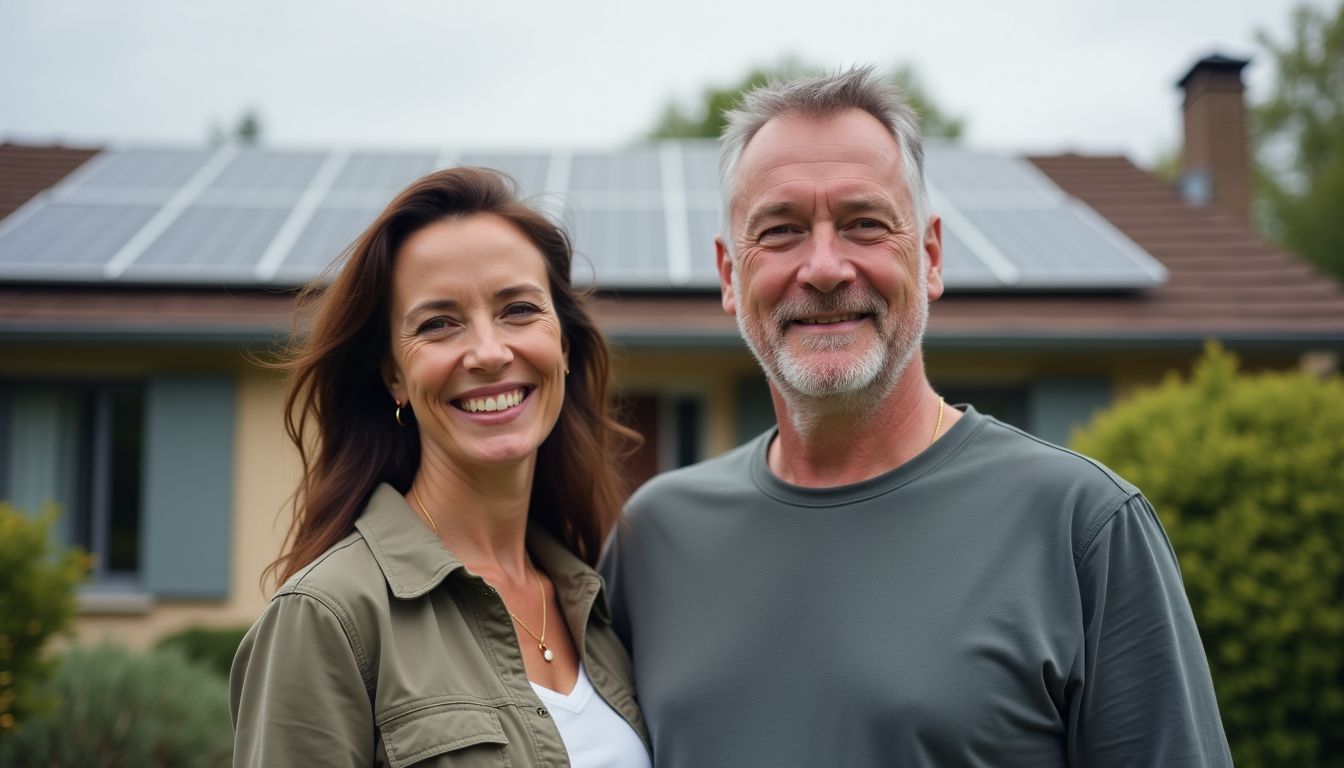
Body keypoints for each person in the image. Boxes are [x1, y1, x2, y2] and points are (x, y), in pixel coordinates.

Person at [600, 67, 1232, 767]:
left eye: (864, 224)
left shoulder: (1080, 528)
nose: (825, 267)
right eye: (779, 231)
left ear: (930, 256)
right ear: (728, 275)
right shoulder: (651, 539)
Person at [231, 167, 652, 768]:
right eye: (438, 324)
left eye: (519, 309)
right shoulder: (329, 617)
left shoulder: (598, 609)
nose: (487, 352)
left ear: (562, 346)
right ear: (395, 376)